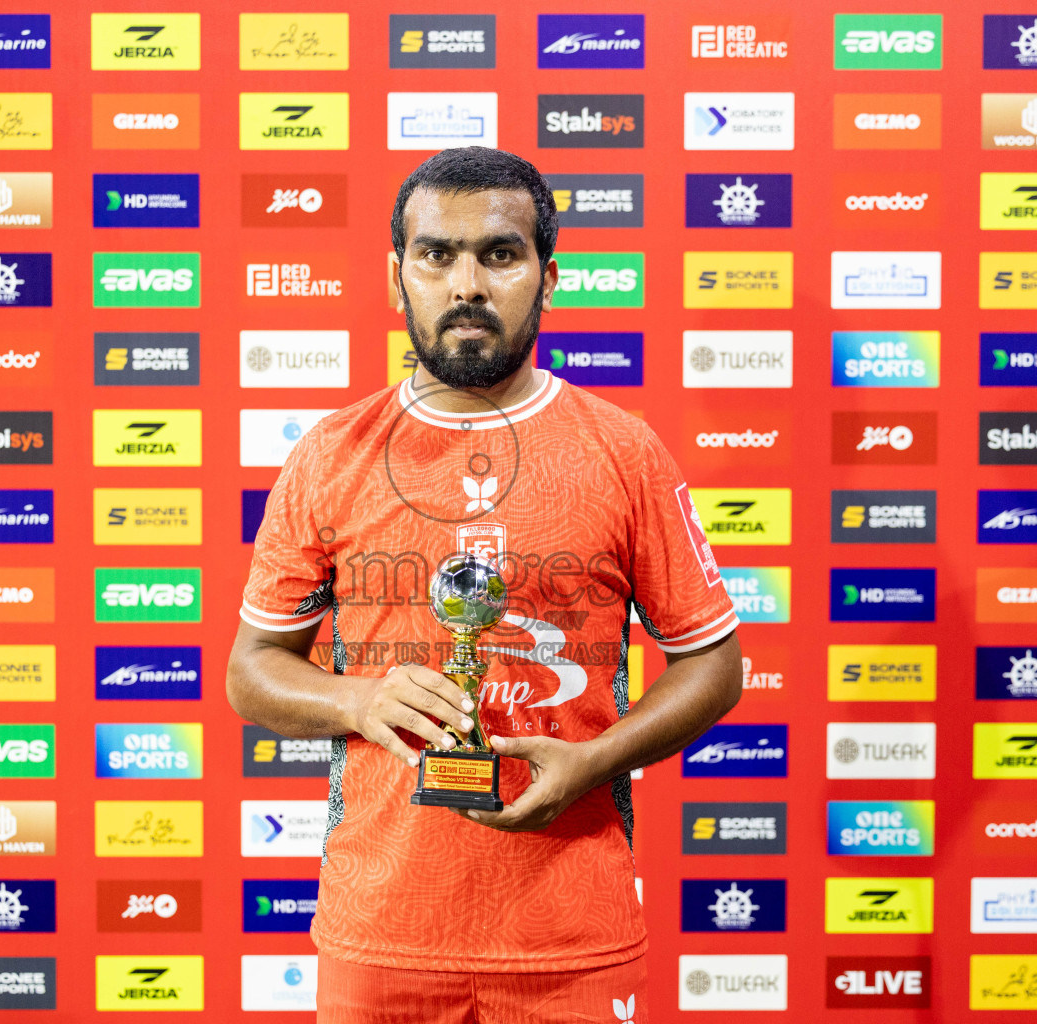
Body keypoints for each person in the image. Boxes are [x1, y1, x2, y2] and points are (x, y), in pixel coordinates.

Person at [227, 146, 743, 1023]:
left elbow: (714, 665)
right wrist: (358, 701)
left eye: (500, 254)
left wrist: (593, 762)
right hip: (381, 928)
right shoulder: (329, 456)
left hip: (572, 933)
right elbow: (253, 670)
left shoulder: (622, 451)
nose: (466, 282)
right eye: (437, 255)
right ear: (398, 278)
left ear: (548, 276)